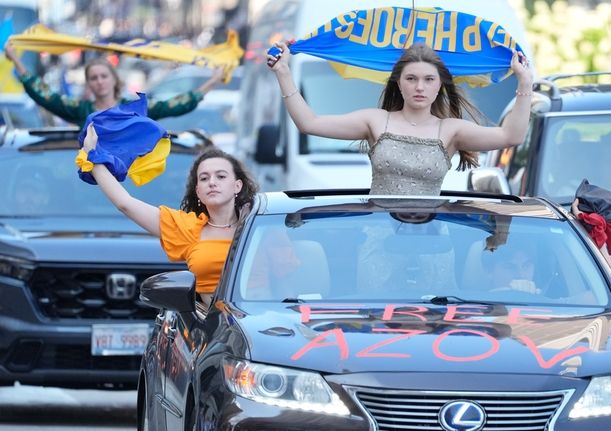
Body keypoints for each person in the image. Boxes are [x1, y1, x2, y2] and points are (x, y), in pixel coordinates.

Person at [266, 42, 533, 195]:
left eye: (429, 80)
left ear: (439, 85)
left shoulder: (451, 130)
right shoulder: (375, 121)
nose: (420, 87)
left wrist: (525, 81)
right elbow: (309, 123)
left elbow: (512, 136)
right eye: (411, 79)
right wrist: (283, 73)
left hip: (433, 241)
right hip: (378, 238)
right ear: (399, 84)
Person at [82, 123, 259, 305]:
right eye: (204, 178)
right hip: (213, 328)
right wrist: (93, 157)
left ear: (237, 186)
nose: (212, 182)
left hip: (258, 326)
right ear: (198, 191)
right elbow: (125, 203)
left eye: (221, 176)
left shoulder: (259, 227)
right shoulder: (187, 228)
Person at [4, 41, 226, 128]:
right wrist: (15, 59)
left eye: (104, 76)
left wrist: (214, 81)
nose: (99, 82)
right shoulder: (80, 110)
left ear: (114, 80)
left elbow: (177, 104)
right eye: (93, 78)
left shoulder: (135, 109)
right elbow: (43, 94)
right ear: (88, 84)